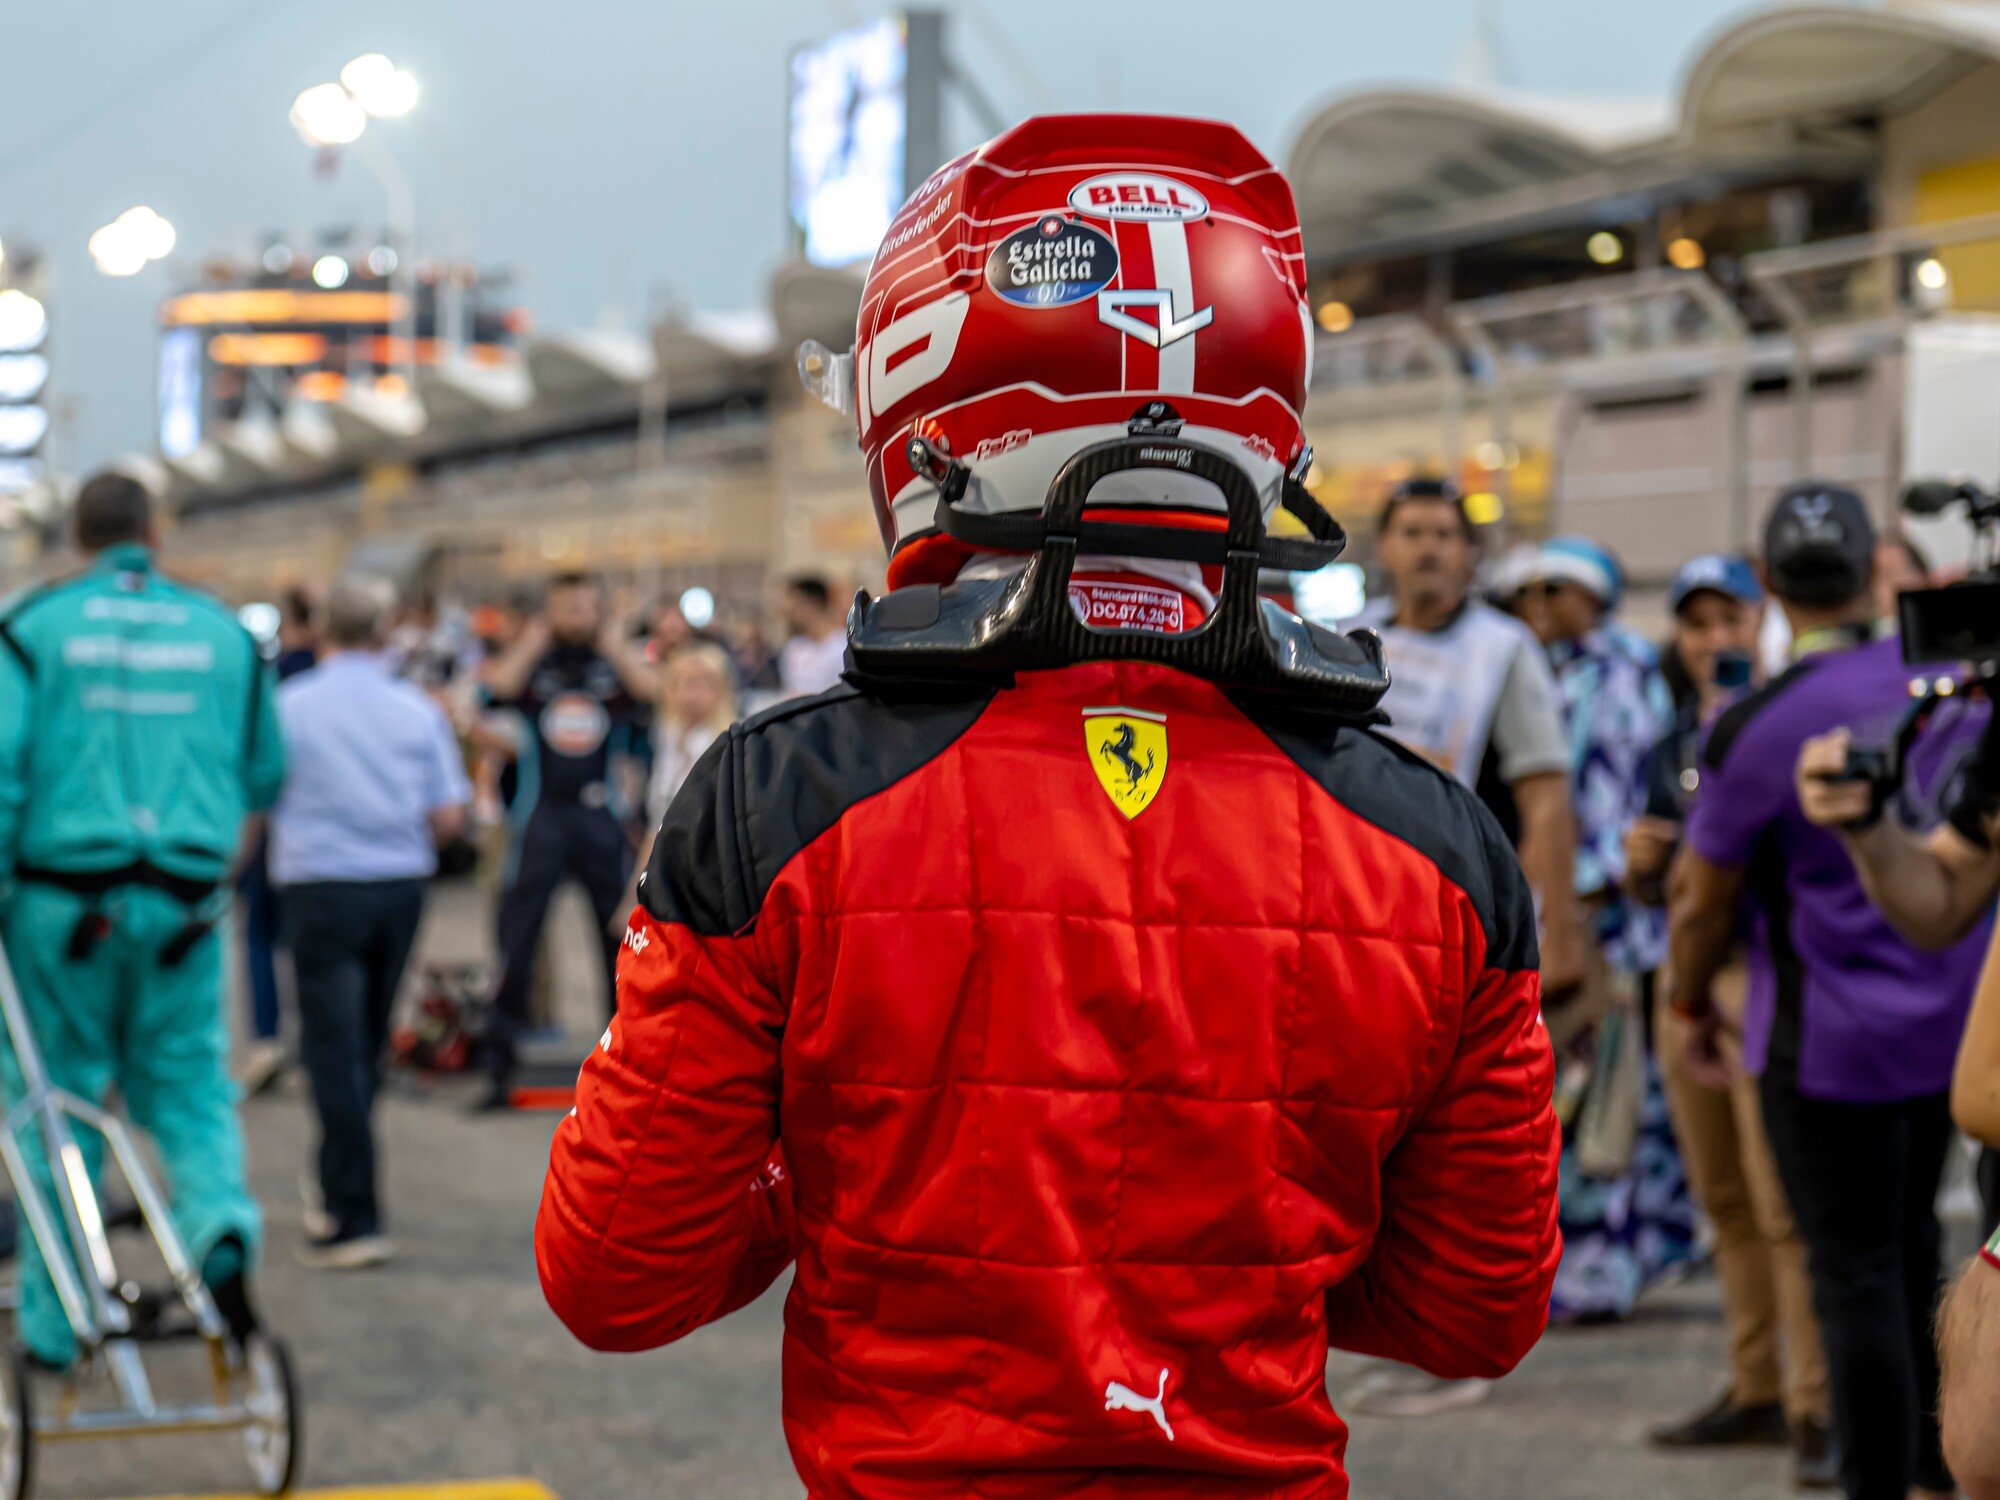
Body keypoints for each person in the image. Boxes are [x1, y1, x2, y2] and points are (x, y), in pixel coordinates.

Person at [537, 115, 1561, 1496]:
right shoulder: (1439, 844)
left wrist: (828, 1185)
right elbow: (1474, 1309)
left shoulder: (780, 797)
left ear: (915, 416)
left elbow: (613, 1275)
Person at [1670, 481, 1990, 1500]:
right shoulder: (1948, 687)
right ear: (1874, 572)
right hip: (1949, 1041)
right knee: (1912, 1263)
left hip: (1831, 1047)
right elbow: (1941, 890)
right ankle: (1927, 1471)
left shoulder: (1758, 721)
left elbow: (1697, 898)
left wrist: (1684, 1001)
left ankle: (1881, 1478)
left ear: (1766, 582)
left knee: (1854, 1277)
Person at [0, 469, 285, 1369]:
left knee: (57, 1103)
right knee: (191, 1088)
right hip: (185, 905)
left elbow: (4, 773)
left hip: (58, 901)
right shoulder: (224, 633)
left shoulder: (33, 629)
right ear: (154, 531)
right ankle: (218, 1232)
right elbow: (265, 774)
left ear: (77, 536)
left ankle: (57, 1317)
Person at [1631, 555, 1832, 1482]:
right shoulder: (1668, 737)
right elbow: (1650, 875)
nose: (1717, 640)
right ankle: (1756, 1386)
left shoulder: (1790, 724)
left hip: (1764, 974)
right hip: (1684, 974)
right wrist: (1643, 861)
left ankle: (1818, 1407)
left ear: (1765, 624)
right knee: (1725, 1200)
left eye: (1732, 620)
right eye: (1698, 624)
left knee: (1786, 1202)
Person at [1515, 537, 1697, 1325]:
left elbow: (1625, 800)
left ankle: (1601, 1265)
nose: (1541, 603)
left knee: (1601, 1092)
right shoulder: (1534, 665)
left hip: (1603, 922)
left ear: (1595, 596)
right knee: (1553, 1093)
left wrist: (1588, 881)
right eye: (1528, 590)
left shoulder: (1619, 676)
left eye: (1558, 588)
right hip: (1546, 912)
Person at [268, 575, 472, 1268]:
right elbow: (449, 816)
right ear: (386, 634)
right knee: (365, 1042)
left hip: (319, 883)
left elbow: (258, 796)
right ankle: (338, 1177)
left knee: (332, 1048)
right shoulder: (417, 711)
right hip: (397, 885)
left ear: (322, 631)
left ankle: (354, 1212)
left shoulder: (289, 706)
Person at [1355, 480, 1586, 1006]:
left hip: (1460, 910)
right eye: (1412, 532)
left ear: (1470, 553)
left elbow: (1545, 796)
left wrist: (1551, 934)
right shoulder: (1350, 634)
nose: (1428, 548)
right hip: (1362, 898)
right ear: (1385, 547)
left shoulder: (1502, 647)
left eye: (1444, 534)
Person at [476, 572, 653, 1107]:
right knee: (518, 939)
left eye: (584, 607)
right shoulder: (536, 665)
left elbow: (654, 691)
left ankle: (624, 1066)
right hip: (541, 818)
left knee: (618, 944)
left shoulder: (613, 667)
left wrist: (614, 643)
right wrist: (532, 638)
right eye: (564, 608)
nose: (574, 617)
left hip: (602, 818)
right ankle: (497, 1065)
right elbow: (497, 687)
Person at [237, 584, 320, 1097]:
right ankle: (316, 1044)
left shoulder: (271, 682)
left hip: (274, 833)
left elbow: (261, 767)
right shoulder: (331, 675)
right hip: (324, 847)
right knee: (313, 949)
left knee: (260, 939)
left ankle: (267, 1039)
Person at [644, 641, 738, 834]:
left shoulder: (729, 743)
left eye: (702, 684)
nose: (691, 694)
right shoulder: (666, 736)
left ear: (721, 690)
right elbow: (656, 820)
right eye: (684, 683)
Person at [775, 573, 845, 697]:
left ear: (812, 603)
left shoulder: (843, 647)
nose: (788, 613)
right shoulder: (793, 649)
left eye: (795, 606)